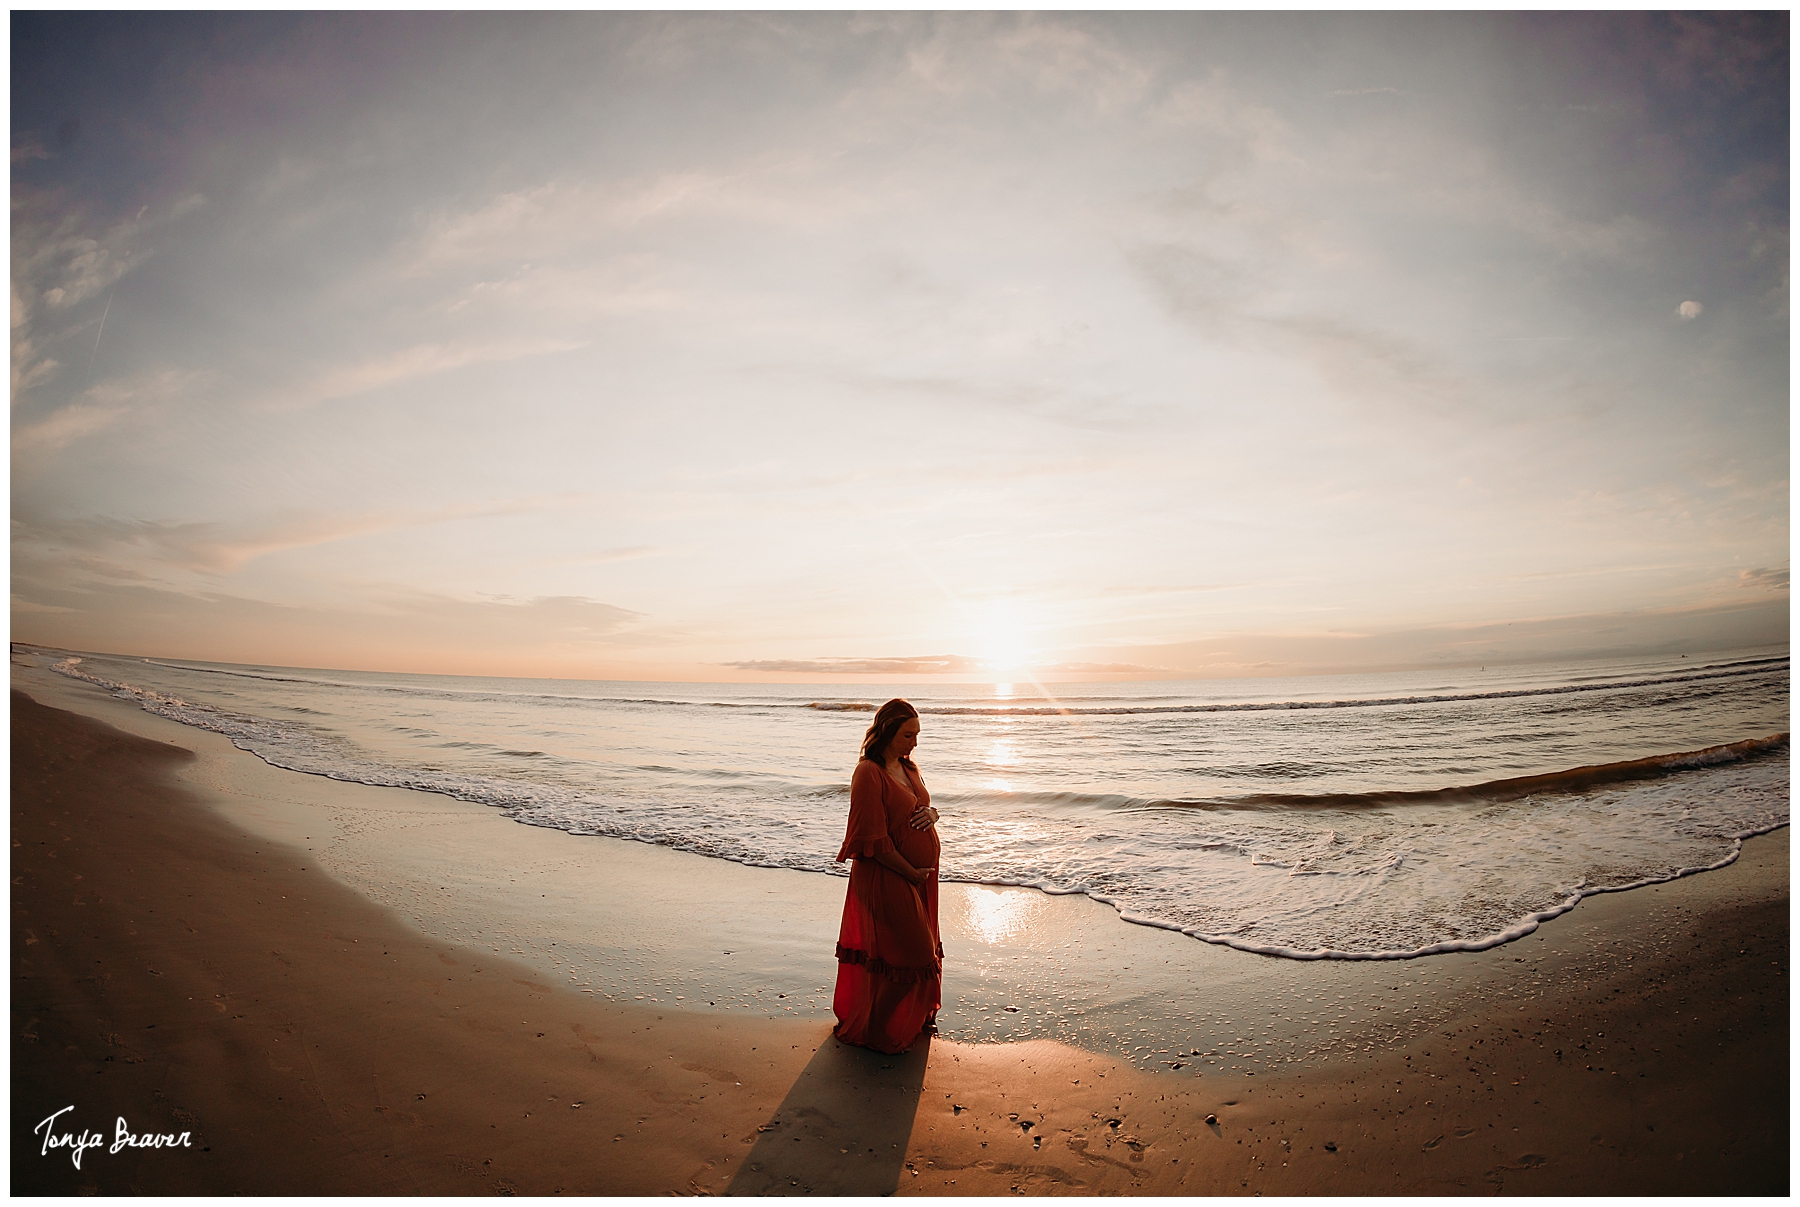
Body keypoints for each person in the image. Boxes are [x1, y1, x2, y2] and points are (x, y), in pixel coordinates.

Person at [831, 697, 942, 1053]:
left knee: (909, 954)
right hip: (888, 875)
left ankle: (901, 1023)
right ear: (887, 731)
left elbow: (920, 807)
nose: (914, 743)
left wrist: (933, 815)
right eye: (908, 735)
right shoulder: (869, 772)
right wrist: (910, 873)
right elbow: (871, 839)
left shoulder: (909, 768)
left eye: (917, 735)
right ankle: (875, 1031)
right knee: (915, 956)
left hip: (917, 878)